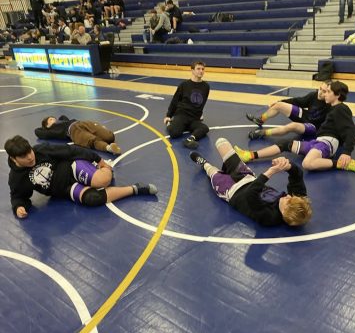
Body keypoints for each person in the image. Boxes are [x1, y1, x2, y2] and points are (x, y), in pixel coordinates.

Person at [4, 135, 157, 219]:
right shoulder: (17, 177)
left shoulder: (42, 150)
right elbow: (17, 196)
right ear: (14, 159)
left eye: (29, 151)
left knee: (103, 181)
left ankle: (104, 170)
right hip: (65, 189)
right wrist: (19, 207)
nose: (30, 157)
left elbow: (71, 151)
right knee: (93, 199)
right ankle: (135, 189)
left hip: (72, 168)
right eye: (24, 156)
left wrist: (99, 160)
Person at [234, 81, 355, 174]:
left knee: (307, 164)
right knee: (286, 144)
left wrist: (347, 152)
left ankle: (343, 164)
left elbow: (350, 130)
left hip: (327, 143)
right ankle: (249, 155)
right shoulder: (334, 108)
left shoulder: (341, 109)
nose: (325, 94)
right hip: (318, 141)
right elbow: (299, 101)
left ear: (337, 95)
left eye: (328, 92)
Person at [190, 138, 312, 227]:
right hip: (247, 177)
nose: (288, 196)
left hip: (232, 191)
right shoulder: (296, 202)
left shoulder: (269, 218)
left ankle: (204, 163)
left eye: (287, 200)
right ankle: (227, 167)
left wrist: (270, 172)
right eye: (291, 197)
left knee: (212, 172)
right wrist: (287, 166)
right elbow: (298, 175)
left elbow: (250, 194)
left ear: (284, 212)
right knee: (221, 141)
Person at [246, 82, 330, 140]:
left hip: (313, 127)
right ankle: (261, 120)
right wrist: (281, 101)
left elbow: (335, 123)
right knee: (279, 105)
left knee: (292, 126)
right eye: (320, 89)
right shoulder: (313, 95)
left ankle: (263, 133)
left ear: (330, 93)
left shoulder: (331, 105)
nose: (320, 93)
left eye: (324, 91)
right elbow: (298, 101)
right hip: (306, 116)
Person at [164, 60, 210, 148]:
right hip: (182, 114)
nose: (201, 71)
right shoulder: (184, 85)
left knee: (204, 128)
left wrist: (200, 114)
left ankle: (190, 139)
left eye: (203, 69)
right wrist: (168, 115)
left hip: (194, 118)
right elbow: (175, 100)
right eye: (198, 69)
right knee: (174, 133)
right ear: (192, 70)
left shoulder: (206, 86)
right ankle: (170, 123)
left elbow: (203, 102)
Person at [35, 115, 122, 154]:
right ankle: (109, 148)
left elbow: (63, 116)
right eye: (50, 119)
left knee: (109, 137)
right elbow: (37, 131)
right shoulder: (52, 130)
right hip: (73, 131)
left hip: (82, 123)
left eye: (53, 118)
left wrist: (57, 120)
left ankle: (104, 132)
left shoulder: (62, 120)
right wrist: (47, 127)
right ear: (47, 125)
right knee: (91, 140)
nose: (53, 119)